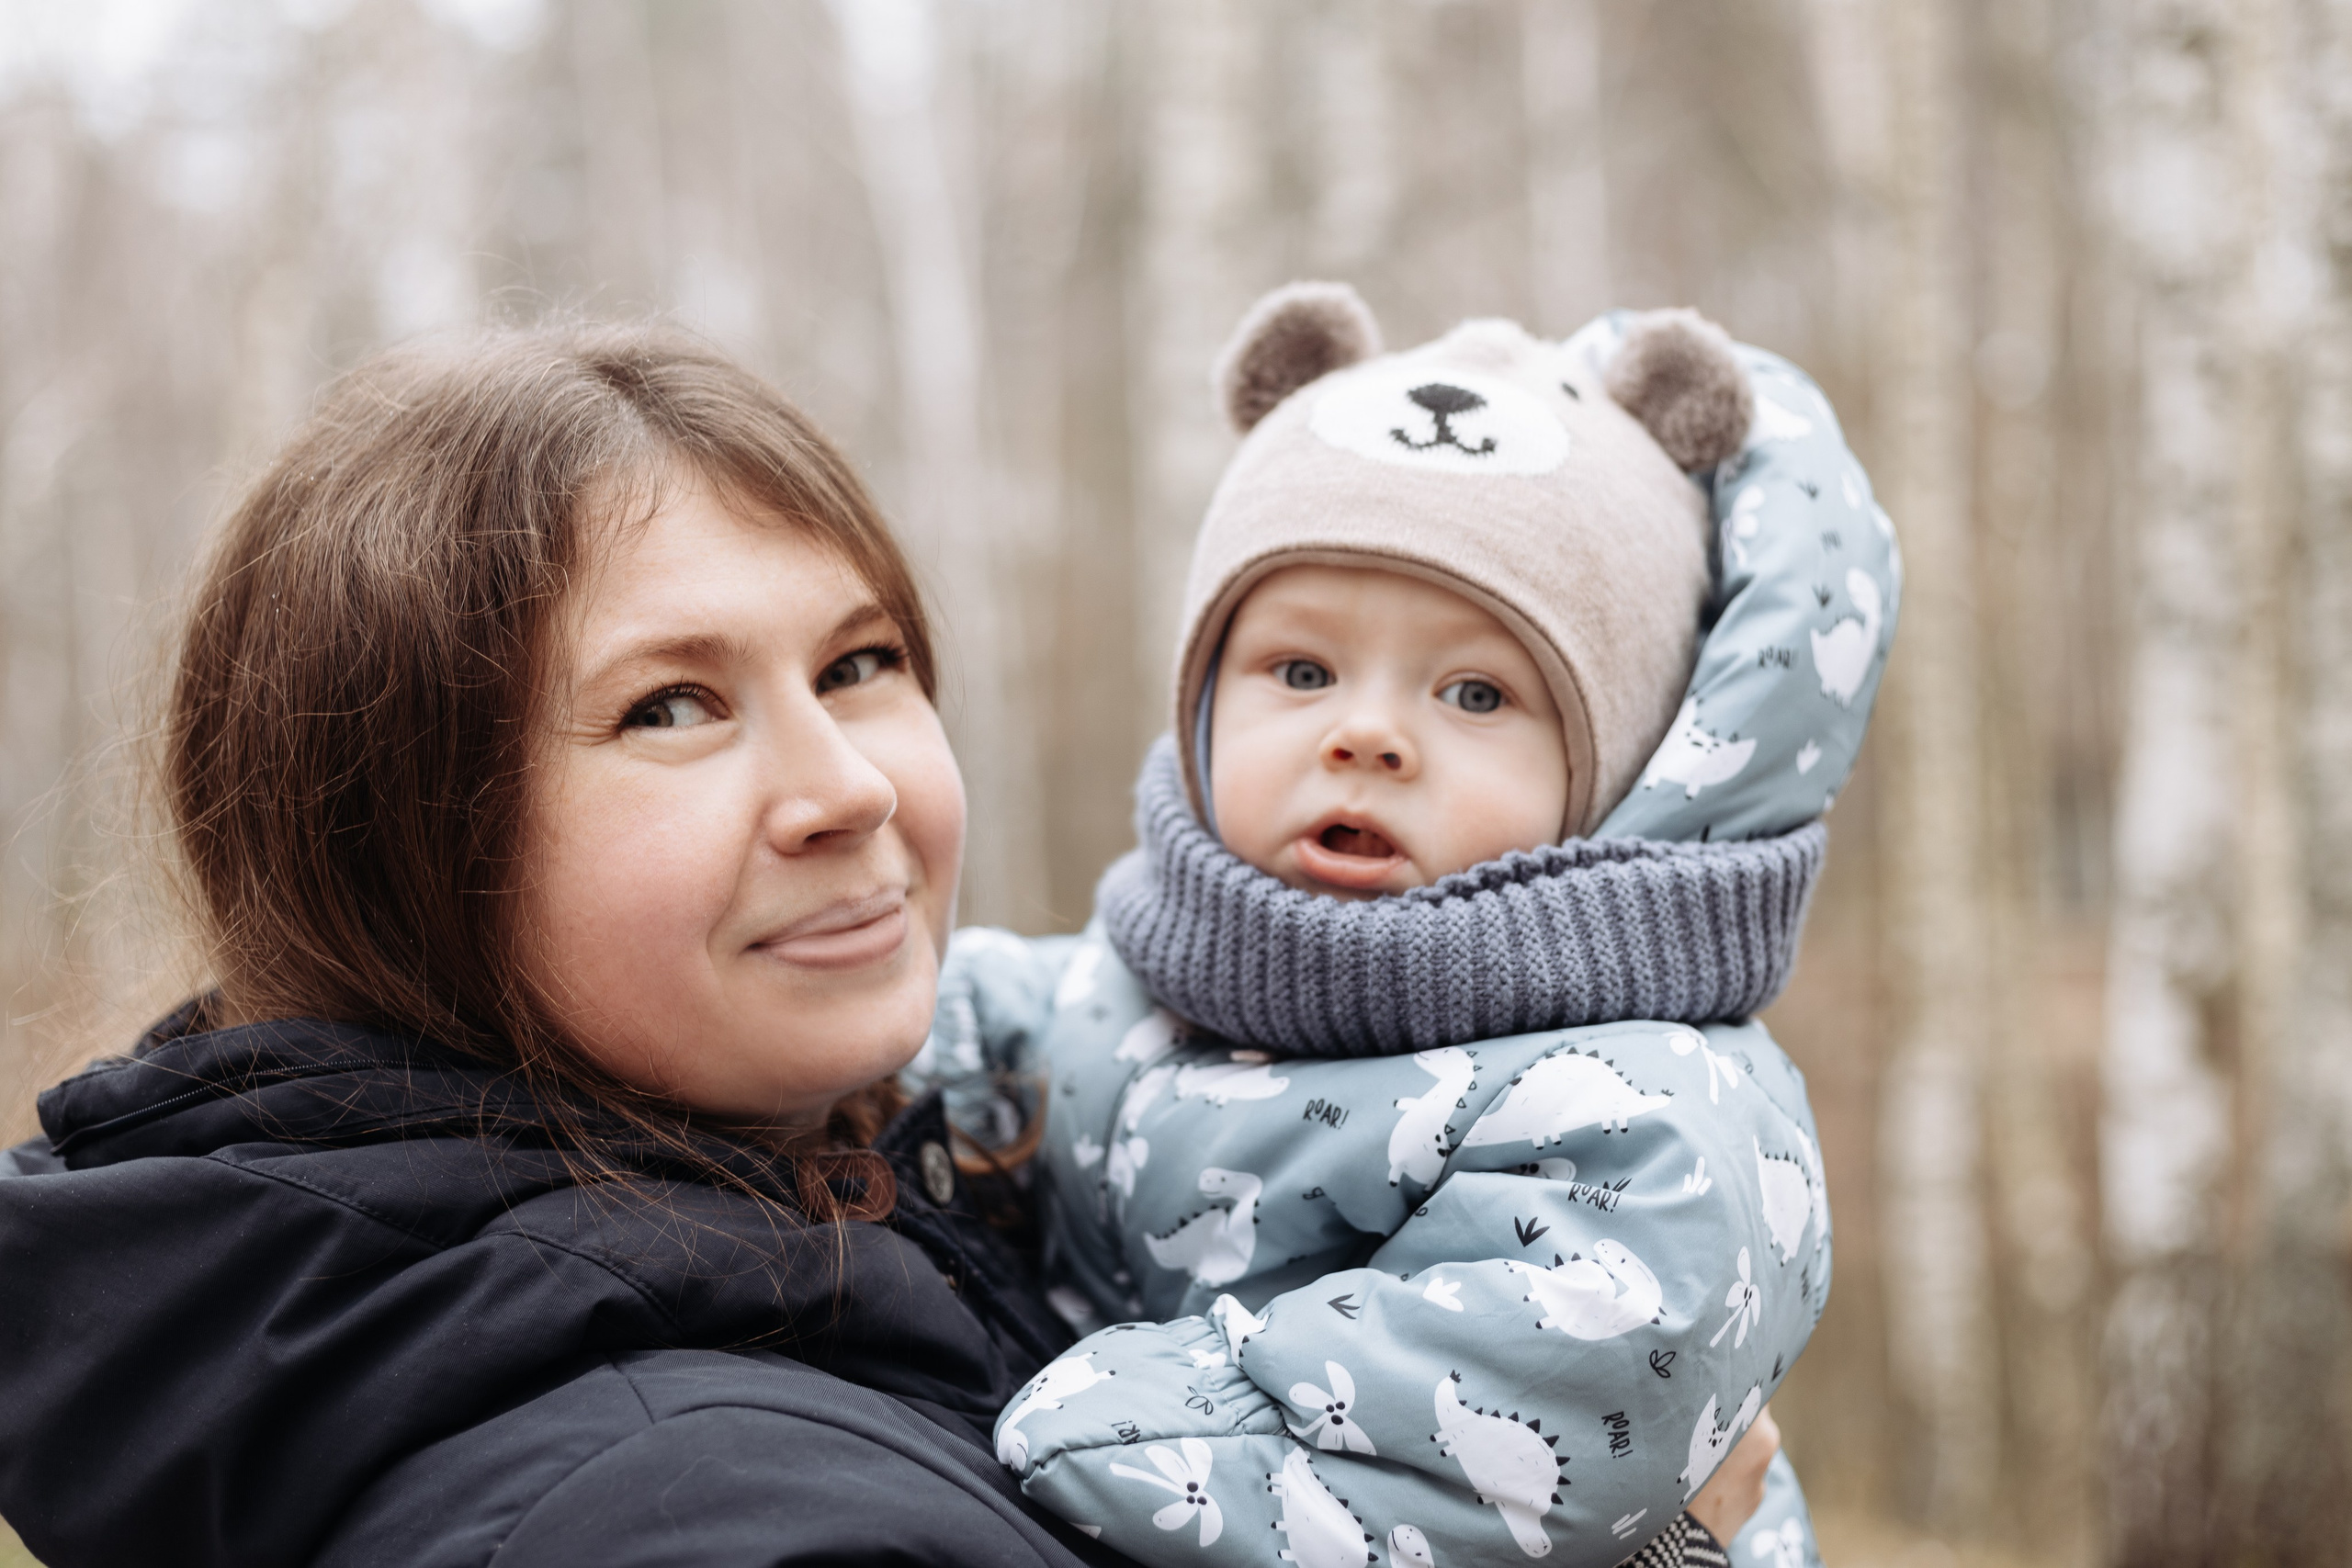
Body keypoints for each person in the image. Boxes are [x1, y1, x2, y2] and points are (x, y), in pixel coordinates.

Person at [0, 327, 1125, 1568]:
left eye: (859, 664)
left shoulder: (964, 1193)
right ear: (400, 845)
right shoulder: (718, 1520)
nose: (851, 789)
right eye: (671, 708)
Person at [921, 286, 1897, 1568]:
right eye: (1302, 670)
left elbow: (1497, 1406)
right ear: (1202, 706)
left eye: (1476, 691)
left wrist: (1097, 1418)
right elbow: (984, 1025)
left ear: (1622, 777)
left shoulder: (1649, 1118)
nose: (1365, 732)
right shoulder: (1145, 983)